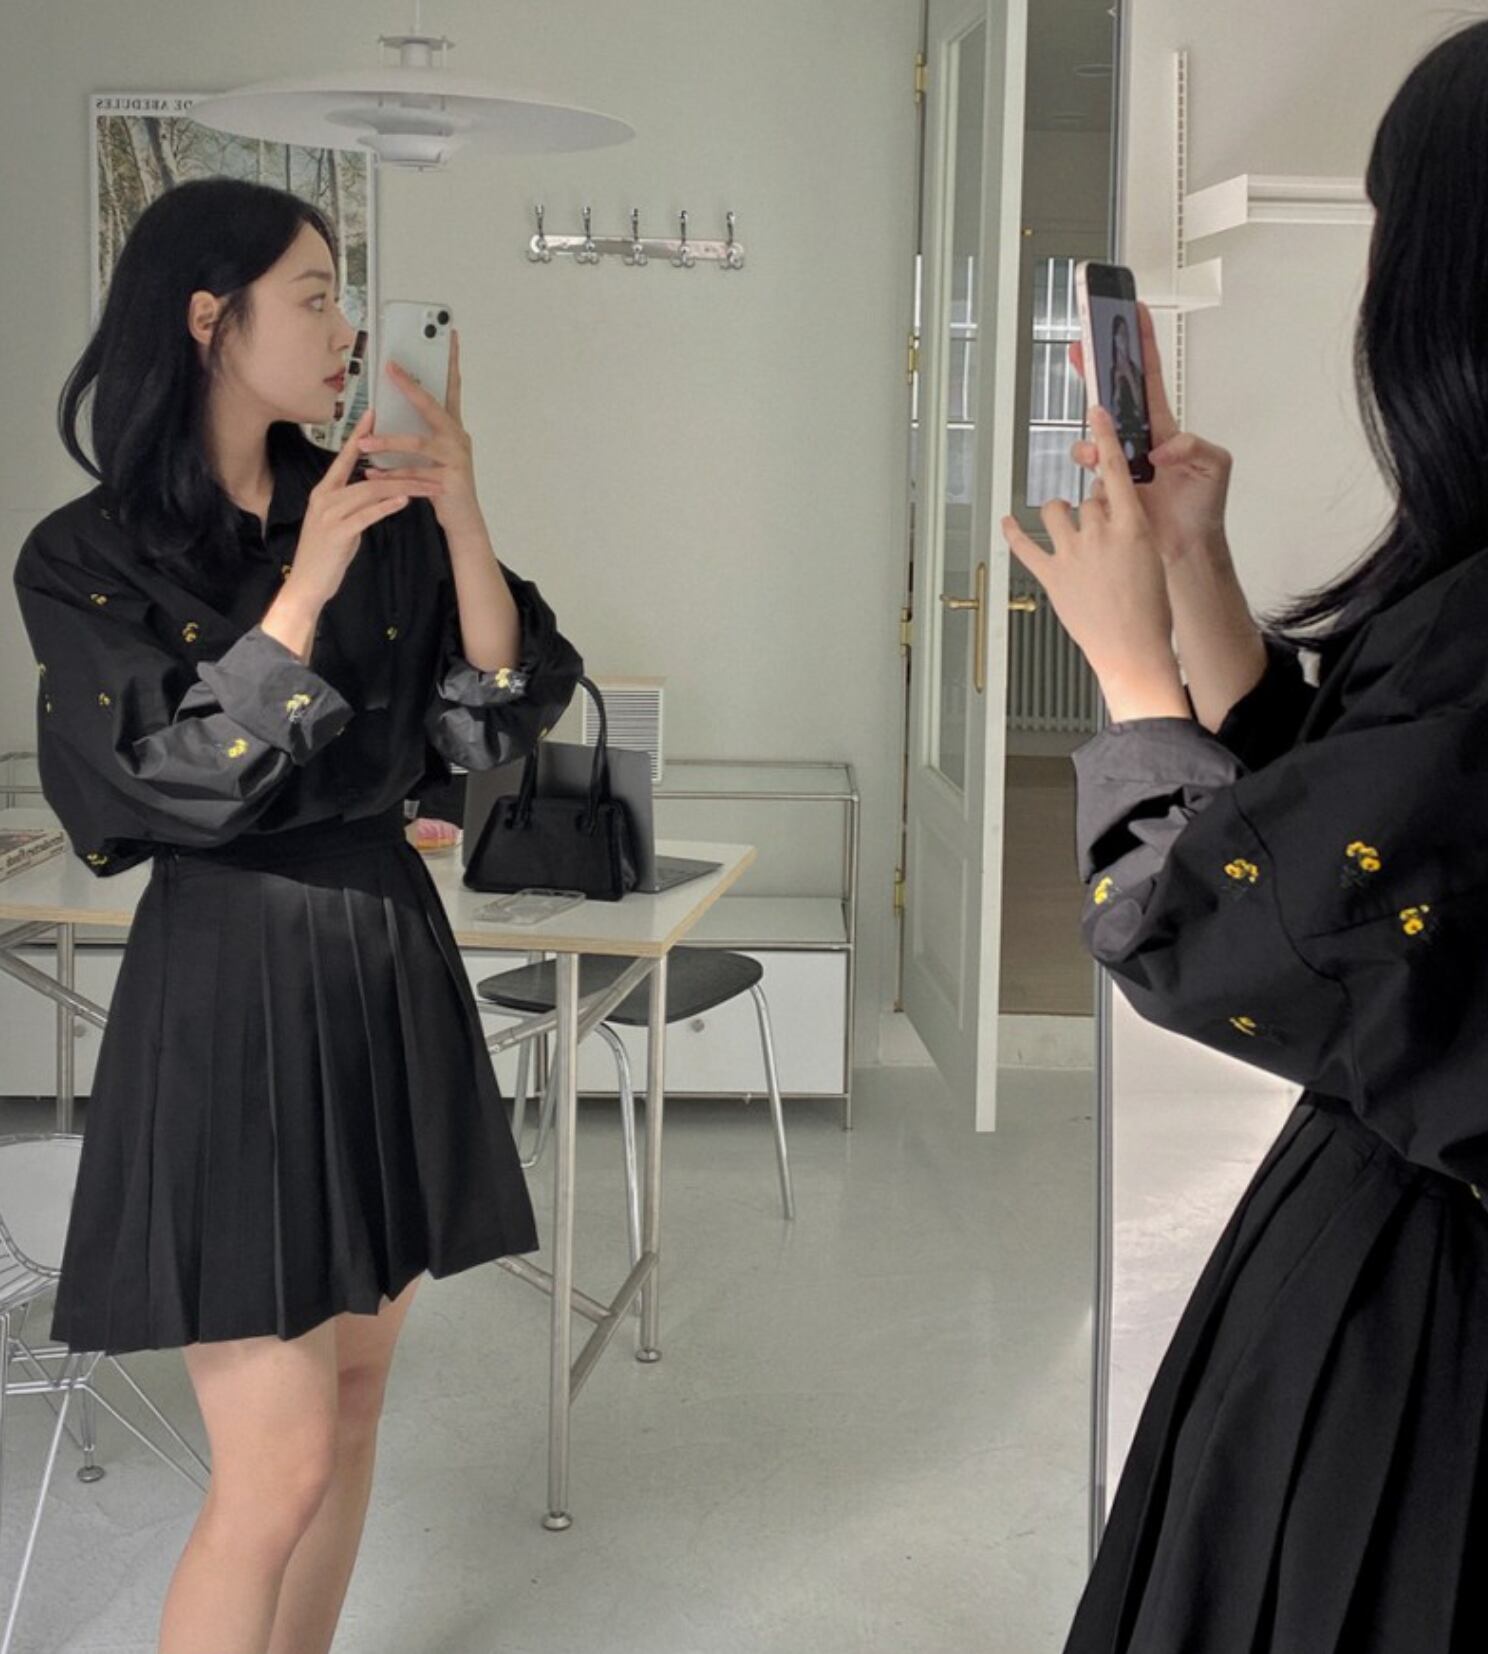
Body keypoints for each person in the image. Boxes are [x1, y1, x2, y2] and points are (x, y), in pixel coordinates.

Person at [12, 177, 583, 1654]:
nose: (345, 331)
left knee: (355, 1403)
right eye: (317, 297)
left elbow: (492, 714)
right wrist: (304, 585)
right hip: (226, 980)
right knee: (273, 1471)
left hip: (384, 953)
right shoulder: (85, 553)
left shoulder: (373, 503)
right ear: (211, 318)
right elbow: (166, 783)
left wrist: (458, 510)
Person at [1004, 19, 1488, 1650]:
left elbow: (1236, 933)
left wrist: (1129, 666)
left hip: (1426, 1327)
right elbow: (1365, 828)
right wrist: (1196, 565)